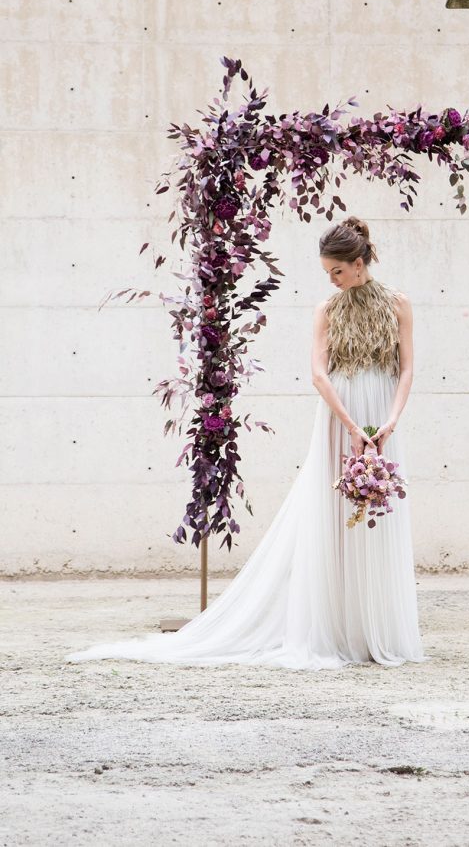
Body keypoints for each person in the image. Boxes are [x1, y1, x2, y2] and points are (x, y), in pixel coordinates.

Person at [65, 216, 427, 670]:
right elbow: (318, 374)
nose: (332, 280)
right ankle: (340, 630)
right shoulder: (326, 310)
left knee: (378, 510)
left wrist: (390, 421)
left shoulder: (398, 304)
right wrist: (352, 426)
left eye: (337, 271)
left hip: (382, 416)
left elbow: (407, 368)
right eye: (327, 273)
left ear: (358, 263)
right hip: (341, 417)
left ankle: (376, 629)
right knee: (334, 514)